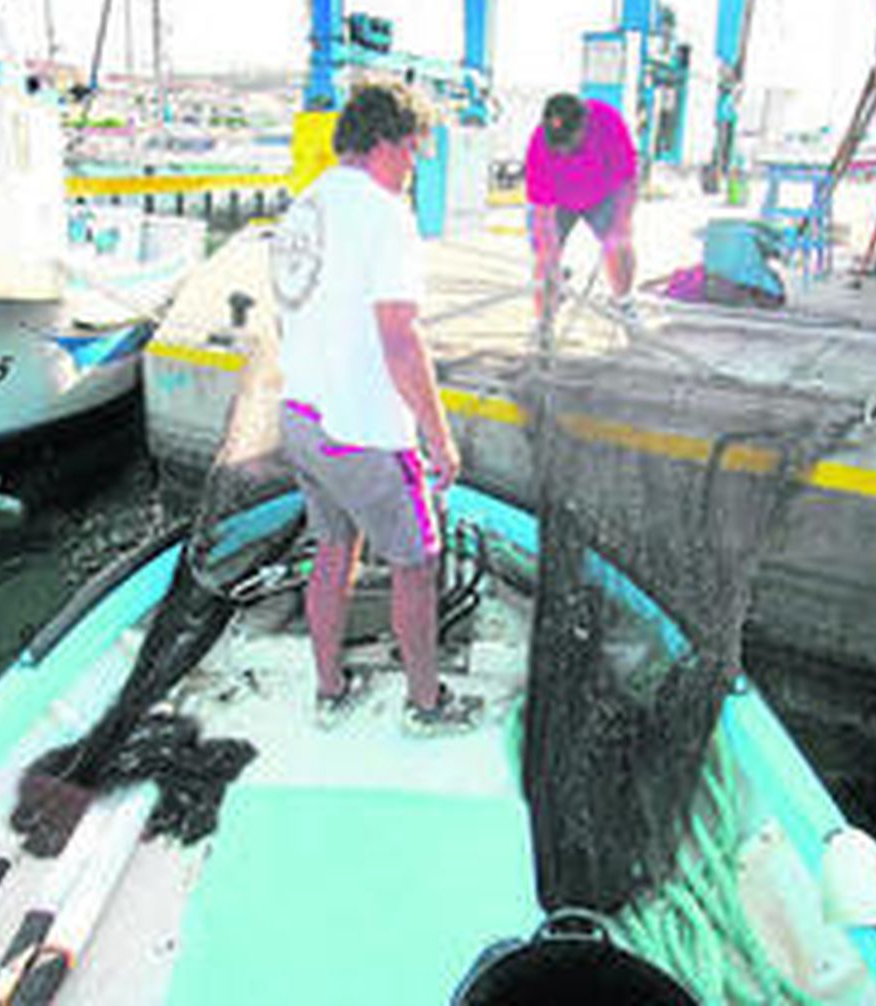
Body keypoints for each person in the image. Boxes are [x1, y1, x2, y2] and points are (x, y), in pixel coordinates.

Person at [269, 80, 483, 738]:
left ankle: (331, 690)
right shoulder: (384, 214)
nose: (416, 166)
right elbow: (400, 336)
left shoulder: (302, 207)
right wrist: (439, 439)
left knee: (332, 549)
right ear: (385, 142)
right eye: (414, 151)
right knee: (416, 566)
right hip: (363, 433)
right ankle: (426, 707)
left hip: (303, 420)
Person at [524, 92, 640, 342]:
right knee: (544, 260)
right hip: (560, 200)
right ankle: (543, 320)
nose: (562, 149)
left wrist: (621, 223)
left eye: (568, 141)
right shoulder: (538, 146)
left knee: (618, 246)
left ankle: (624, 302)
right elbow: (542, 214)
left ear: (584, 125)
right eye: (557, 143)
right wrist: (551, 256)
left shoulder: (608, 123)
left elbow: (629, 179)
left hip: (603, 193)